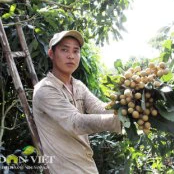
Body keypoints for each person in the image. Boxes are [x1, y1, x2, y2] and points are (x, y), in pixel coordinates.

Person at [32, 30, 121, 174]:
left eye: (76, 51)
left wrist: (126, 108)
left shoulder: (78, 85)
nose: (71, 56)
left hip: (87, 167)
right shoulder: (45, 89)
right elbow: (76, 122)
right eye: (64, 50)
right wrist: (119, 121)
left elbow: (99, 108)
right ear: (51, 54)